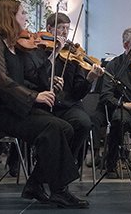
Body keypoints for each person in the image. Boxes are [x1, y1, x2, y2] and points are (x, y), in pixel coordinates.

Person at [0, 0, 89, 208]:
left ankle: (36, 183)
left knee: (66, 127)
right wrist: (33, 97)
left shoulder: (16, 45)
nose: (26, 17)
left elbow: (35, 76)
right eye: (22, 13)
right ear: (9, 16)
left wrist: (53, 58)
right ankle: (59, 190)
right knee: (53, 126)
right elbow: (1, 82)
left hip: (15, 107)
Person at [21, 12, 100, 167]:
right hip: (43, 104)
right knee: (54, 127)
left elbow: (77, 93)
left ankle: (67, 164)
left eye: (67, 29)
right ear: (49, 29)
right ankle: (46, 165)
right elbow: (30, 80)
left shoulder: (73, 56)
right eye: (61, 28)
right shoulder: (36, 51)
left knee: (83, 123)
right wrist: (54, 56)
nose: (65, 32)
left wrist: (89, 79)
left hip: (67, 104)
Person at [99, 27, 131, 177]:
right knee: (117, 120)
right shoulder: (115, 65)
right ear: (126, 45)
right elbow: (106, 95)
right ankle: (111, 163)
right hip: (124, 107)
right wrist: (124, 105)